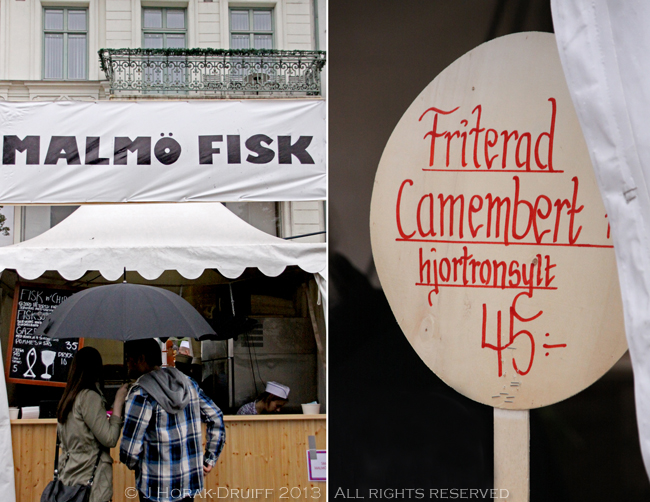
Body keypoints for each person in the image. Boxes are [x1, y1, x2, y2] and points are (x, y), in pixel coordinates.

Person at [120, 339, 225, 502]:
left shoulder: (141, 393)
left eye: (129, 358)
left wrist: (140, 466)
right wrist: (209, 458)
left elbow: (129, 451)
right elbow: (216, 416)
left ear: (141, 358)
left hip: (155, 488)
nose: (127, 363)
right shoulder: (188, 384)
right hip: (187, 485)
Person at [56, 346, 129, 502]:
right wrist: (118, 403)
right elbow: (109, 439)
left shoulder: (68, 398)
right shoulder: (89, 397)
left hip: (68, 479)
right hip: (90, 482)